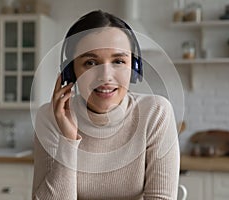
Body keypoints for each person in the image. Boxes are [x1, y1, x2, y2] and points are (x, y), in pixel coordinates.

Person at [32, 10, 180, 200]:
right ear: (71, 72)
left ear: (134, 68)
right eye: (90, 62)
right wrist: (68, 140)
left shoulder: (156, 112)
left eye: (118, 61)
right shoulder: (50, 117)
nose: (105, 76)